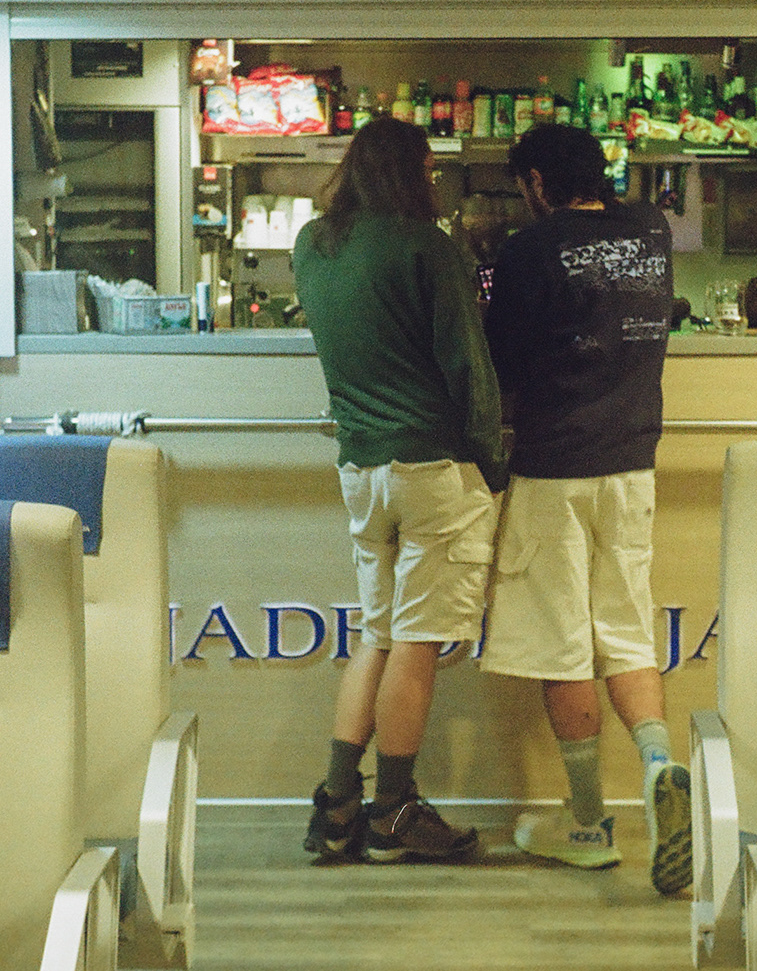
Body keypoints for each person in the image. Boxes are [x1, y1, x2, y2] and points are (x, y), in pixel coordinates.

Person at [479, 123, 691, 895]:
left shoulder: (530, 249)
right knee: (627, 630)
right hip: (632, 463)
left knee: (562, 642)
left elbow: (498, 360)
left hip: (554, 468)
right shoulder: (651, 229)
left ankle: (590, 821)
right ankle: (660, 764)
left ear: (537, 181)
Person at [291, 116, 506, 863]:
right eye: (427, 169)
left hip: (361, 468)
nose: (434, 181)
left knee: (377, 635)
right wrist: (493, 465)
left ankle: (336, 809)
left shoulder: (312, 246)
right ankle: (393, 814)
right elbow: (468, 367)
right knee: (416, 642)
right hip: (432, 468)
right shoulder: (428, 248)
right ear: (409, 172)